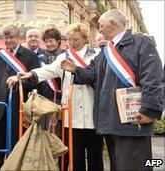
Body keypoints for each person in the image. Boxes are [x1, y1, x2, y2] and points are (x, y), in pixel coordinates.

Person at [61, 9, 164, 171]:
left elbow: (153, 77)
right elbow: (92, 75)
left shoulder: (141, 42)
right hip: (110, 121)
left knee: (135, 165)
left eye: (101, 25)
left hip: (134, 120)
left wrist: (149, 109)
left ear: (112, 23)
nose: (99, 29)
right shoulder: (105, 53)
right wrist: (75, 69)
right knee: (118, 165)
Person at [19, 23, 104, 171]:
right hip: (72, 114)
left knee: (95, 154)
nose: (72, 43)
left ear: (85, 38)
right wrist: (31, 74)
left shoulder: (96, 54)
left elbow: (97, 77)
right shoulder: (64, 56)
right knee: (75, 155)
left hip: (93, 113)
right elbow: (49, 70)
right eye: (69, 39)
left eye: (75, 39)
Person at [0, 25, 40, 170]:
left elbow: (35, 81)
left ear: (18, 37)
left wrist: (19, 80)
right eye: (6, 37)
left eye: (11, 37)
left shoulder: (30, 56)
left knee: (16, 139)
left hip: (18, 105)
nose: (8, 40)